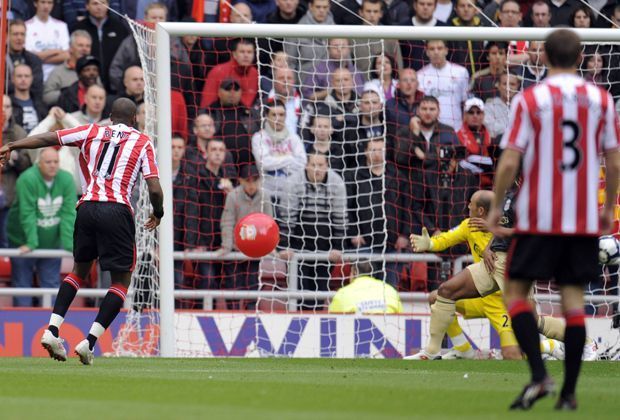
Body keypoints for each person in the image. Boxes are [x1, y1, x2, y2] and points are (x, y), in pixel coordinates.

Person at [489, 29, 620, 410]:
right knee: (574, 302)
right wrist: (608, 208)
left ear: (543, 57)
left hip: (537, 217)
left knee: (514, 293)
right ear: (580, 57)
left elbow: (511, 158)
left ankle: (539, 376)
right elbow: (613, 160)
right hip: (579, 218)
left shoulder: (531, 98)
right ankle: (569, 392)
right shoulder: (601, 99)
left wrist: (497, 206)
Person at [0, 98, 164, 365]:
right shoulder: (142, 141)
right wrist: (158, 212)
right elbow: (154, 188)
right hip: (117, 209)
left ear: (110, 117)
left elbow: (49, 138)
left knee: (78, 271)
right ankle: (89, 342)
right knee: (121, 282)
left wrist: (12, 144)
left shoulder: (92, 130)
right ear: (134, 119)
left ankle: (52, 329)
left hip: (87, 206)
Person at [8, 148, 76, 307]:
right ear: (39, 163)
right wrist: (31, 243)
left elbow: (69, 214)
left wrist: (68, 244)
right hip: (22, 240)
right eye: (48, 162)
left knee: (51, 285)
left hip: (51, 242)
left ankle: (50, 327)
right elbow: (27, 213)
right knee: (22, 286)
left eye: (56, 162)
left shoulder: (66, 179)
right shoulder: (27, 179)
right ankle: (22, 324)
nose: (53, 165)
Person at [219, 164, 274, 309]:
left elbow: (269, 224)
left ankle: (251, 313)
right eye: (248, 180)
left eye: (255, 180)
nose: (252, 184)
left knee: (252, 283)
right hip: (236, 250)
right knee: (233, 284)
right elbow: (227, 221)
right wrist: (227, 246)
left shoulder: (265, 196)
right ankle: (233, 312)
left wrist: (270, 248)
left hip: (254, 251)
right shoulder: (233, 196)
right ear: (241, 181)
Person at [328, 260, 403, 314]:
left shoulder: (342, 293)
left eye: (350, 272)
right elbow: (401, 318)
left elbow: (332, 322)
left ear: (355, 272)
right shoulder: (390, 290)